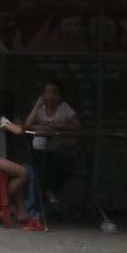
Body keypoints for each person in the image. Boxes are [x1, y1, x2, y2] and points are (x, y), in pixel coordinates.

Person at [25, 78, 82, 218]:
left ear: (60, 96)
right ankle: (43, 203)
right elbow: (27, 124)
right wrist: (37, 105)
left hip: (57, 150)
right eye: (48, 93)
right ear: (43, 94)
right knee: (41, 171)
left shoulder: (64, 108)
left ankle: (47, 199)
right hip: (38, 149)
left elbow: (77, 126)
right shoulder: (40, 109)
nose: (51, 97)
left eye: (55, 93)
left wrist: (59, 126)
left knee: (63, 166)